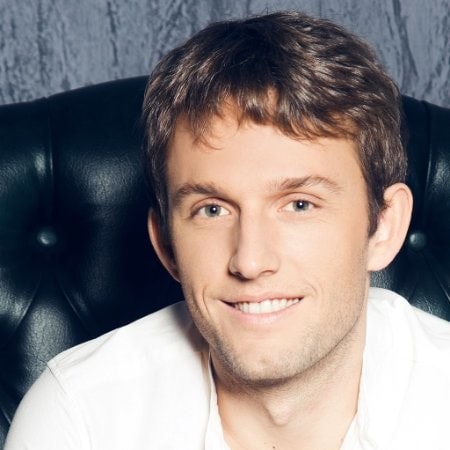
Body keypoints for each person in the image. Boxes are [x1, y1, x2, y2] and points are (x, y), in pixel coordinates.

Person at [5, 10, 450, 450]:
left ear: (384, 226)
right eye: (212, 210)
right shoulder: (78, 419)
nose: (250, 261)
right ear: (166, 244)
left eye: (300, 204)